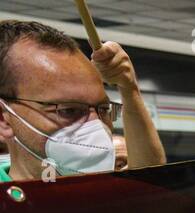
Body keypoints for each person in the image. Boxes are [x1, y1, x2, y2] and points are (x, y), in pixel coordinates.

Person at [0, 20, 165, 182]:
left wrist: (129, 89)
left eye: (103, 110)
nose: (97, 127)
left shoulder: (104, 196)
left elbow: (150, 181)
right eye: (68, 111)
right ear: (3, 119)